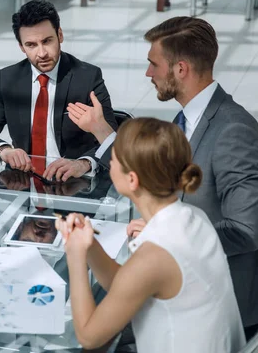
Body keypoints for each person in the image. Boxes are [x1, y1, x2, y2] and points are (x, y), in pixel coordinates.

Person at [68, 16, 258, 336]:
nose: (148, 73)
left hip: (231, 306)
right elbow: (153, 169)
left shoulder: (234, 131)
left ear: (180, 69)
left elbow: (246, 231)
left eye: (153, 64)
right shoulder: (188, 117)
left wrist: (171, 239)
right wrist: (102, 131)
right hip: (192, 288)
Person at [57, 117, 245, 352]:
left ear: (132, 179)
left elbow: (88, 336)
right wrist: (90, 246)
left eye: (113, 159)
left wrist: (75, 258)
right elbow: (125, 283)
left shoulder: (154, 258)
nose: (109, 163)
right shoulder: (195, 217)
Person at [0, 0, 118, 181]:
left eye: (47, 41)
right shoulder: (7, 79)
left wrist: (83, 163)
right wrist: (4, 151)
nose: (42, 53)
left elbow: (112, 139)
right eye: (31, 45)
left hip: (73, 181)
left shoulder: (88, 77)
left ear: (60, 35)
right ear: (22, 47)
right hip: (22, 181)